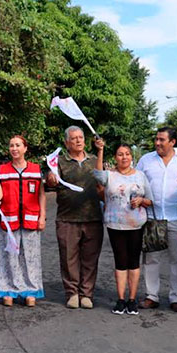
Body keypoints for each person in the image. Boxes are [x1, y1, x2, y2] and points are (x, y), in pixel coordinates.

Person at [45, 126, 104, 309]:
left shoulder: (95, 160)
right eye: (74, 138)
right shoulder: (59, 162)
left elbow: (102, 182)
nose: (78, 141)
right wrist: (51, 179)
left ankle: (86, 293)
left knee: (90, 258)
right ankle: (72, 293)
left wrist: (101, 151)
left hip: (93, 217)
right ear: (66, 143)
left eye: (80, 137)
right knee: (68, 258)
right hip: (67, 218)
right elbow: (50, 181)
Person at [94, 144, 153, 315]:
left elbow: (151, 200)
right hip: (115, 224)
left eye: (127, 154)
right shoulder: (110, 176)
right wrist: (100, 151)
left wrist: (141, 200)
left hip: (136, 225)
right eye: (120, 154)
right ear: (115, 158)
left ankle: (132, 299)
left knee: (133, 261)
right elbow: (98, 175)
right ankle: (121, 299)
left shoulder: (140, 176)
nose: (124, 157)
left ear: (131, 157)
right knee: (120, 261)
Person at [135, 127, 177, 312]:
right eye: (156, 139)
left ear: (172, 142)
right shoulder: (146, 160)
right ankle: (152, 296)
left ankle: (175, 297)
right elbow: (135, 181)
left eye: (162, 140)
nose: (157, 143)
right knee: (151, 259)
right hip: (152, 218)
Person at [0, 135, 46, 307]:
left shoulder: (36, 170)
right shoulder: (2, 170)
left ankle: (31, 291)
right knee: (9, 256)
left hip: (31, 219)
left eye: (18, 145)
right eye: (11, 145)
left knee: (31, 257)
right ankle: (8, 290)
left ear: (25, 148)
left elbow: (41, 195)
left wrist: (42, 216)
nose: (14, 148)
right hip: (9, 220)